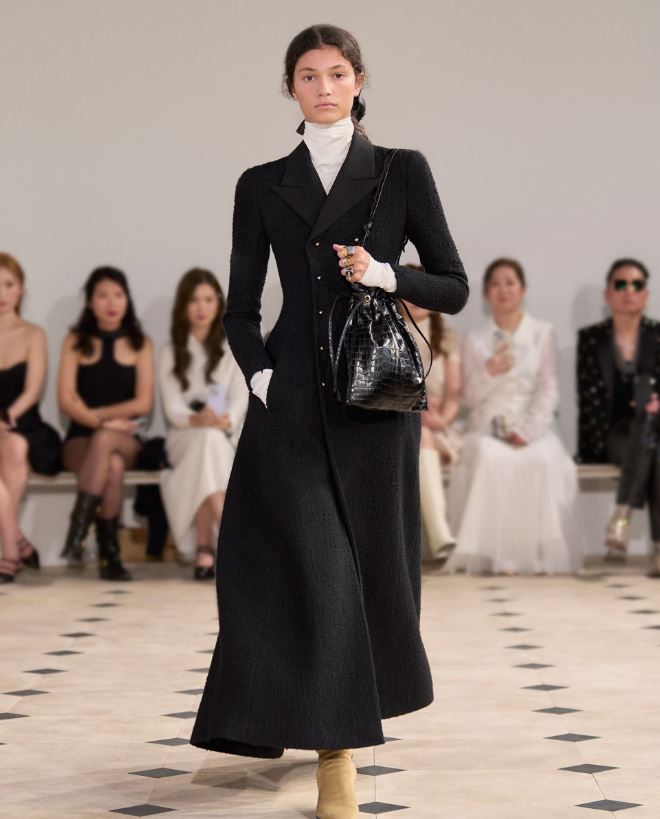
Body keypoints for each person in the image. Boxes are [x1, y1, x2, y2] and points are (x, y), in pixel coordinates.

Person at [189, 24, 468, 819]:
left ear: (358, 80)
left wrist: (385, 273)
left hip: (372, 403)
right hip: (292, 404)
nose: (323, 86)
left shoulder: (401, 170)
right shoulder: (261, 183)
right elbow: (241, 308)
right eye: (308, 75)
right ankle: (332, 753)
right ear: (290, 88)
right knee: (306, 569)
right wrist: (262, 376)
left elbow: (453, 285)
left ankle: (333, 740)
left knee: (367, 572)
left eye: (337, 73)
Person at [446, 258, 577, 575]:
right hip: (486, 425)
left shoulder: (542, 333)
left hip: (533, 425)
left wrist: (527, 431)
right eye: (495, 284)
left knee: (543, 459)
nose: (503, 290)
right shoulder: (474, 339)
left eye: (510, 283)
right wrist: (489, 372)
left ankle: (538, 554)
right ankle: (495, 555)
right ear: (486, 294)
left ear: (523, 290)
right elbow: (468, 398)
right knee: (490, 457)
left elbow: (548, 390)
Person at [58, 266, 154, 580]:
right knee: (111, 465)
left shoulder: (141, 343)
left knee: (106, 443)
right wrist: (106, 423)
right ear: (90, 302)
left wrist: (101, 420)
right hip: (79, 439)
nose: (111, 302)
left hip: (126, 438)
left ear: (127, 299)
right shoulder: (75, 341)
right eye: (102, 295)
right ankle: (108, 554)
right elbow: (65, 400)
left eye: (118, 294)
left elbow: (143, 403)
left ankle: (78, 531)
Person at [158, 268, 248, 580]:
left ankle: (204, 546)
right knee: (203, 443)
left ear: (219, 303)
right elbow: (172, 408)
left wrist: (224, 418)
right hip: (184, 434)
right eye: (194, 300)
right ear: (183, 305)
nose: (201, 307)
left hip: (224, 434)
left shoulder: (232, 347)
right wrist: (196, 418)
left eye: (208, 300)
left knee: (208, 444)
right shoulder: (171, 352)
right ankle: (234, 537)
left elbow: (239, 398)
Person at [576, 259, 660, 577]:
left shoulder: (658, 335)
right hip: (613, 434)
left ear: (645, 294)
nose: (629, 291)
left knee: (653, 438)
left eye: (636, 285)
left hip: (654, 429)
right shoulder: (591, 339)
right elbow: (587, 400)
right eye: (621, 284)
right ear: (607, 294)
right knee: (653, 444)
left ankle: (622, 513)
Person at [0, 252, 60, 583]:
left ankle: (11, 549)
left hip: (24, 425)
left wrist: (6, 418)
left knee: (15, 447)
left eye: (8, 284)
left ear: (21, 289)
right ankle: (15, 544)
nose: (2, 293)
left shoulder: (34, 334)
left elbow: (32, 391)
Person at [402, 270, 462, 563]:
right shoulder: (386, 332)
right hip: (401, 423)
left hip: (439, 430)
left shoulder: (447, 339)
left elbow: (454, 394)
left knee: (424, 434)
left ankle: (439, 537)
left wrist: (442, 419)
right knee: (418, 433)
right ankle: (440, 537)